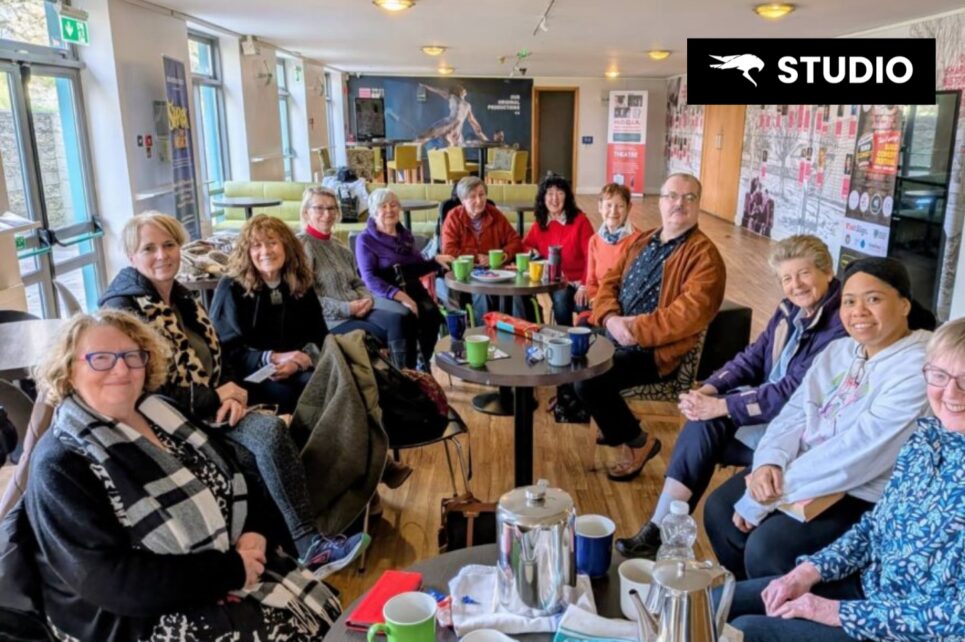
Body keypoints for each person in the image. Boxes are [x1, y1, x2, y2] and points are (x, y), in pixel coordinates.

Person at [21, 309, 342, 641]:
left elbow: (236, 477)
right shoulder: (61, 464)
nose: (121, 368)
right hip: (137, 620)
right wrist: (231, 570)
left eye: (133, 356)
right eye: (100, 358)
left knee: (333, 616)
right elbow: (110, 582)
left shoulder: (161, 413)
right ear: (69, 370)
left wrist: (255, 531)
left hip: (227, 569)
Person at [101, 212, 366, 575]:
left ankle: (319, 526)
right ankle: (308, 541)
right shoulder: (124, 310)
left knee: (317, 396)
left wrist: (230, 389)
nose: (162, 255)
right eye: (149, 248)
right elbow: (152, 390)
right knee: (273, 429)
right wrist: (223, 395)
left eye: (169, 245)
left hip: (214, 404)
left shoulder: (182, 298)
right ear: (131, 256)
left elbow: (216, 355)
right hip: (167, 422)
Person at [725, 317, 965, 642]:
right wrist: (808, 572)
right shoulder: (927, 439)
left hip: (915, 629)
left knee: (745, 633)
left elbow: (956, 618)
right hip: (869, 591)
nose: (950, 392)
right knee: (718, 602)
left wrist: (833, 612)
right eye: (939, 375)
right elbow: (874, 528)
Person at [704, 257, 936, 581]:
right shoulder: (839, 350)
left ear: (904, 305)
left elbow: (857, 453)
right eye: (850, 301)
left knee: (768, 548)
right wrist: (768, 462)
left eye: (874, 299)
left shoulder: (916, 368)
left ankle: (778, 620)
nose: (858, 311)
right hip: (802, 468)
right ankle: (746, 605)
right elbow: (796, 412)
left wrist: (768, 497)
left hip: (859, 491)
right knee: (719, 511)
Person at [616, 235, 846, 558]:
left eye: (804, 274)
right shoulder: (788, 309)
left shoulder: (838, 328)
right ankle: (660, 529)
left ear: (827, 272)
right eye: (786, 278)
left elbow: (788, 394)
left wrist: (721, 405)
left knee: (707, 423)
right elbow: (752, 357)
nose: (795, 285)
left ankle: (664, 534)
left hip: (798, 434)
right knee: (701, 423)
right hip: (766, 418)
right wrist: (707, 389)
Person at [573, 173, 726, 481]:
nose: (678, 204)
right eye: (671, 196)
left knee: (587, 379)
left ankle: (639, 443)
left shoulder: (705, 257)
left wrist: (634, 329)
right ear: (660, 202)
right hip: (617, 334)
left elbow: (686, 315)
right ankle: (617, 419)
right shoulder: (642, 241)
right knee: (569, 353)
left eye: (688, 198)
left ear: (698, 205)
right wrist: (611, 319)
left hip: (656, 353)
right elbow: (607, 285)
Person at [210, 215, 329, 414]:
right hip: (250, 372)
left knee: (323, 386)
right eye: (256, 246)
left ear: (286, 247)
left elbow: (320, 336)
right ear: (247, 252)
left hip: (296, 367)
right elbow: (222, 351)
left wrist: (301, 361)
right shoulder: (231, 288)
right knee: (285, 394)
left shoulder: (300, 282)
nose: (265, 252)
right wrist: (271, 358)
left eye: (272, 243)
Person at [298, 186, 412, 369]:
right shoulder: (302, 247)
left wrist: (366, 299)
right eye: (319, 208)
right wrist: (347, 308)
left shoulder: (339, 246)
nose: (326, 214)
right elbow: (305, 300)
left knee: (400, 319)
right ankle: (395, 381)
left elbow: (357, 281)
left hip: (358, 309)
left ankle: (408, 378)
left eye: (331, 208)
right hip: (329, 320)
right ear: (306, 212)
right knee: (373, 335)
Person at [355, 188, 453, 369]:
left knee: (432, 316)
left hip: (411, 285)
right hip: (384, 291)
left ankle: (422, 365)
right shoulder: (365, 240)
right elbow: (369, 279)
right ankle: (405, 370)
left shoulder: (404, 235)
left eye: (393, 205)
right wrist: (403, 298)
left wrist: (435, 261)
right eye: (383, 206)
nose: (389, 210)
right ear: (374, 211)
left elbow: (416, 267)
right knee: (407, 317)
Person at [440, 176, 530, 318]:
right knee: (482, 292)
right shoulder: (453, 217)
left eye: (482, 195)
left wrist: (503, 255)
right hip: (467, 274)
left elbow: (516, 241)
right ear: (463, 201)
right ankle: (485, 334)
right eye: (472, 197)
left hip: (497, 272)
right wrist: (478, 257)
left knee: (519, 292)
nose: (479, 200)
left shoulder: (494, 213)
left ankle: (522, 333)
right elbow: (449, 251)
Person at [522, 174, 594, 325]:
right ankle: (564, 339)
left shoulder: (580, 221)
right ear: (543, 197)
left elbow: (592, 255)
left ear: (567, 197)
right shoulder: (540, 224)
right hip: (558, 282)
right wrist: (532, 251)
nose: (555, 199)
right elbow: (525, 245)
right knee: (561, 298)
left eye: (560, 193)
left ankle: (578, 341)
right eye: (550, 193)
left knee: (586, 315)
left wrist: (584, 285)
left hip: (582, 281)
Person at [574, 183, 642, 311]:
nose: (613, 211)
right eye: (608, 205)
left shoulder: (638, 240)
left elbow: (635, 285)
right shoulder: (594, 241)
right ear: (600, 207)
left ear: (629, 207)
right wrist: (596, 301)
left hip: (625, 307)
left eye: (620, 206)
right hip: (600, 303)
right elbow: (591, 282)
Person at [414, 83, 487, 146]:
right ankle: (412, 149)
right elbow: (438, 91)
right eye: (462, 89)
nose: (465, 90)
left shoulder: (467, 105)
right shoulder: (453, 97)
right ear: (458, 91)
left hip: (457, 126)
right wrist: (426, 86)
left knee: (453, 145)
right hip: (449, 122)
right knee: (427, 135)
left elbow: (471, 119)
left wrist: (477, 127)